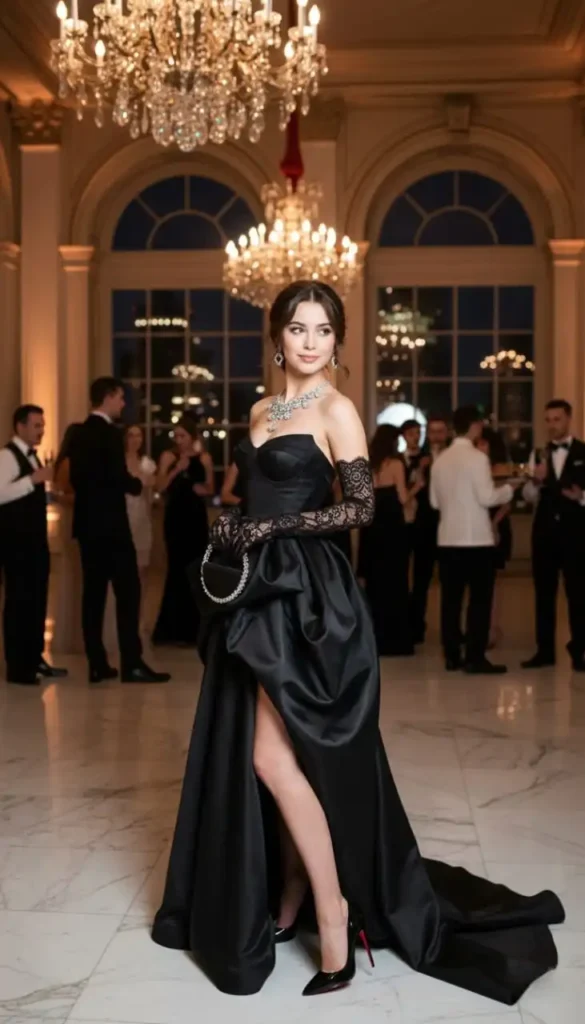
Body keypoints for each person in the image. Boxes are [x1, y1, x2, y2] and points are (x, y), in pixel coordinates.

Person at [152, 282, 563, 1004]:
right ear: (277, 337)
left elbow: (359, 508)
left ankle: (334, 914)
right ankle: (288, 898)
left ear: (336, 342)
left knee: (274, 758)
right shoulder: (257, 410)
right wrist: (233, 521)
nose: (310, 341)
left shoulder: (337, 409)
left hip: (310, 598)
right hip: (254, 589)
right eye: (297, 328)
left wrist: (271, 528)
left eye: (323, 330)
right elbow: (250, 496)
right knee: (266, 759)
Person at [69, 377, 171, 684]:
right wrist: (137, 483)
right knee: (129, 593)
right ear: (108, 397)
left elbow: (77, 480)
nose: (124, 404)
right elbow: (117, 477)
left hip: (87, 528)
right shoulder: (111, 435)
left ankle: (97, 663)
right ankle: (132, 663)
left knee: (93, 596)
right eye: (121, 398)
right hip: (112, 528)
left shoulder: (78, 433)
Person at [431, 406, 520, 675]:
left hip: (447, 539)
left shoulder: (440, 460)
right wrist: (509, 489)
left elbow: (435, 502)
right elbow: (487, 498)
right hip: (476, 540)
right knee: (479, 602)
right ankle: (475, 657)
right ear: (474, 426)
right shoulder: (477, 458)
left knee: (450, 601)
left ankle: (451, 656)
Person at [0, 405, 67, 684]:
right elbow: (1, 493)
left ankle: (34, 658)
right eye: (37, 425)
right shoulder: (6, 456)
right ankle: (18, 668)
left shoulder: (32, 456)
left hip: (35, 543)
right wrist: (33, 479)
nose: (42, 430)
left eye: (43, 425)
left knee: (37, 601)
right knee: (19, 603)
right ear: (20, 426)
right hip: (16, 545)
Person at [521, 399, 585, 671]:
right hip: (545, 532)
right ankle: (544, 650)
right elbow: (527, 496)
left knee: (578, 593)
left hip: (576, 532)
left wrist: (582, 496)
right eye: (548, 420)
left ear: (568, 419)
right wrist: (535, 481)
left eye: (556, 419)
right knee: (543, 593)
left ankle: (579, 649)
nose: (551, 425)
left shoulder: (584, 451)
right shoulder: (538, 454)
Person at [357, 424, 422, 655]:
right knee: (396, 582)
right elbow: (403, 497)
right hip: (393, 531)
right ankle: (397, 640)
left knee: (375, 584)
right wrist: (418, 487)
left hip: (373, 530)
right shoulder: (395, 464)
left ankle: (376, 638)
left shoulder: (367, 465)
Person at [152, 416, 214, 647]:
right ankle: (170, 630)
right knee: (176, 570)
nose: (179, 441)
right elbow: (159, 487)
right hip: (175, 518)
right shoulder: (169, 457)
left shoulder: (204, 458)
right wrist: (177, 469)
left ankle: (196, 630)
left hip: (196, 519)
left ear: (193, 437)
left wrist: (203, 489)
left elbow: (210, 488)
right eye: (176, 436)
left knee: (196, 569)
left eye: (183, 436)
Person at [408, 415, 450, 643]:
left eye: (440, 431)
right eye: (432, 431)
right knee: (421, 580)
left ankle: (450, 631)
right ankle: (416, 628)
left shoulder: (455, 458)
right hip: (423, 525)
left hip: (448, 524)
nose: (436, 436)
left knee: (449, 580)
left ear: (447, 433)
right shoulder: (419, 459)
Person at [477, 426, 513, 649]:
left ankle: (491, 628)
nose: (479, 447)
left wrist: (493, 524)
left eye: (482, 443)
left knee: (493, 581)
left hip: (496, 523)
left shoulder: (499, 467)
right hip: (478, 524)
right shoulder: (473, 465)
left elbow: (506, 503)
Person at [52, 423, 85, 656]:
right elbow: (60, 494)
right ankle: (70, 634)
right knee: (73, 574)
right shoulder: (67, 463)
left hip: (80, 516)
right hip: (72, 519)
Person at [124, 425, 157, 629]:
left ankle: (138, 614)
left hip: (142, 518)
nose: (135, 440)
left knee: (141, 570)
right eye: (131, 435)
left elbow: (152, 492)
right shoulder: (118, 463)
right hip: (123, 518)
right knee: (124, 570)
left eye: (139, 435)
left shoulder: (147, 463)